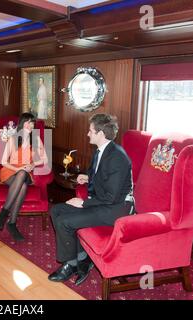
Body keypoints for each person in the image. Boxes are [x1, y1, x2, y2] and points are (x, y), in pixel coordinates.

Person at [48, 113, 134, 286]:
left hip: (117, 208)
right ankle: (82, 258)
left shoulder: (117, 156)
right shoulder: (101, 151)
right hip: (104, 201)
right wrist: (87, 178)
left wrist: (84, 203)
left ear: (101, 134)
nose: (88, 134)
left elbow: (112, 196)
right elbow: (103, 176)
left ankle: (70, 264)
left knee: (65, 221)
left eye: (91, 131)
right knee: (56, 210)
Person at [0, 112, 48, 241]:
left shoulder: (35, 139)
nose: (31, 125)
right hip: (9, 171)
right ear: (22, 123)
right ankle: (11, 222)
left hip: (26, 172)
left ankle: (4, 213)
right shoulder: (13, 138)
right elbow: (3, 162)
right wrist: (18, 168)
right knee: (23, 185)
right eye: (29, 122)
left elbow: (45, 159)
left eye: (32, 122)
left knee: (23, 175)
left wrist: (33, 164)